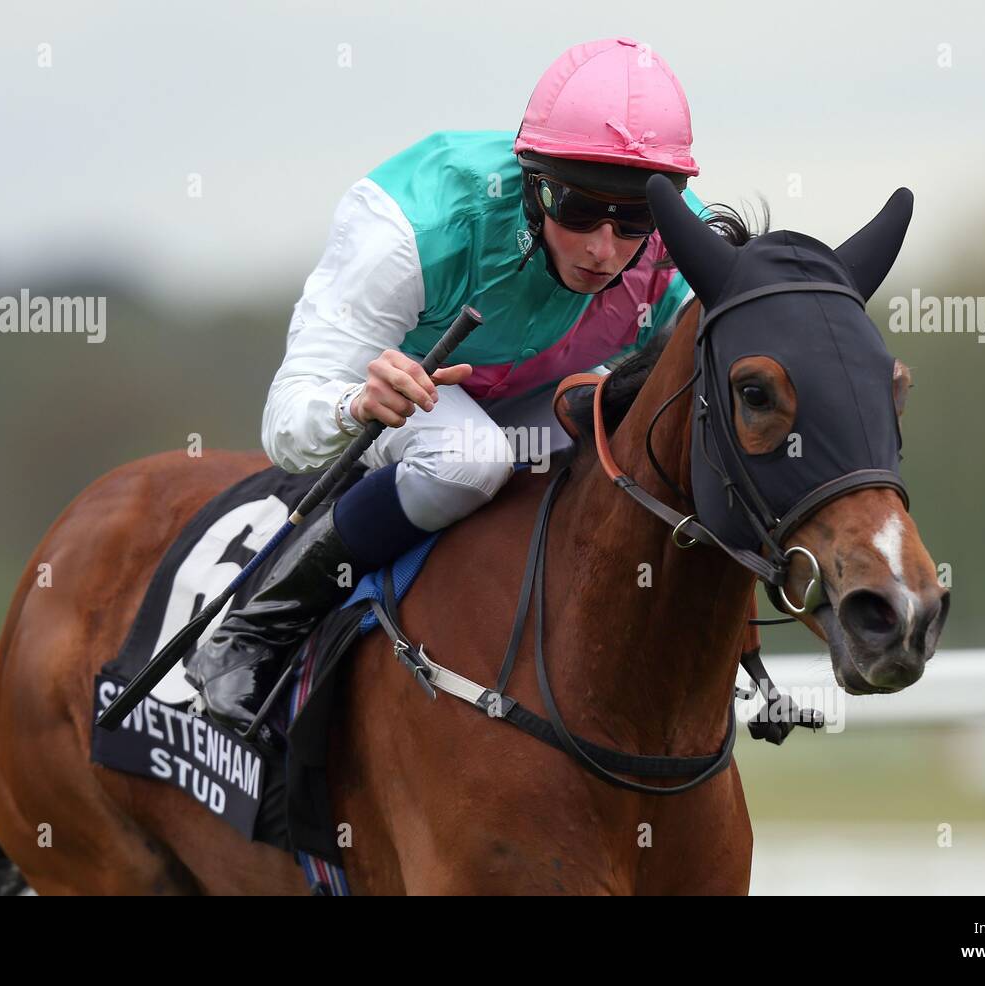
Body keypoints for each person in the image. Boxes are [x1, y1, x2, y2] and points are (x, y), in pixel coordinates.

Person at [185, 37, 705, 733]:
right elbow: (286, 423)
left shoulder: (676, 241)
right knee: (469, 458)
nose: (601, 248)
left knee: (632, 425)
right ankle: (253, 629)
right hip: (409, 384)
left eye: (632, 219)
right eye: (576, 209)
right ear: (532, 181)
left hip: (541, 389)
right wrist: (357, 406)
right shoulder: (408, 232)